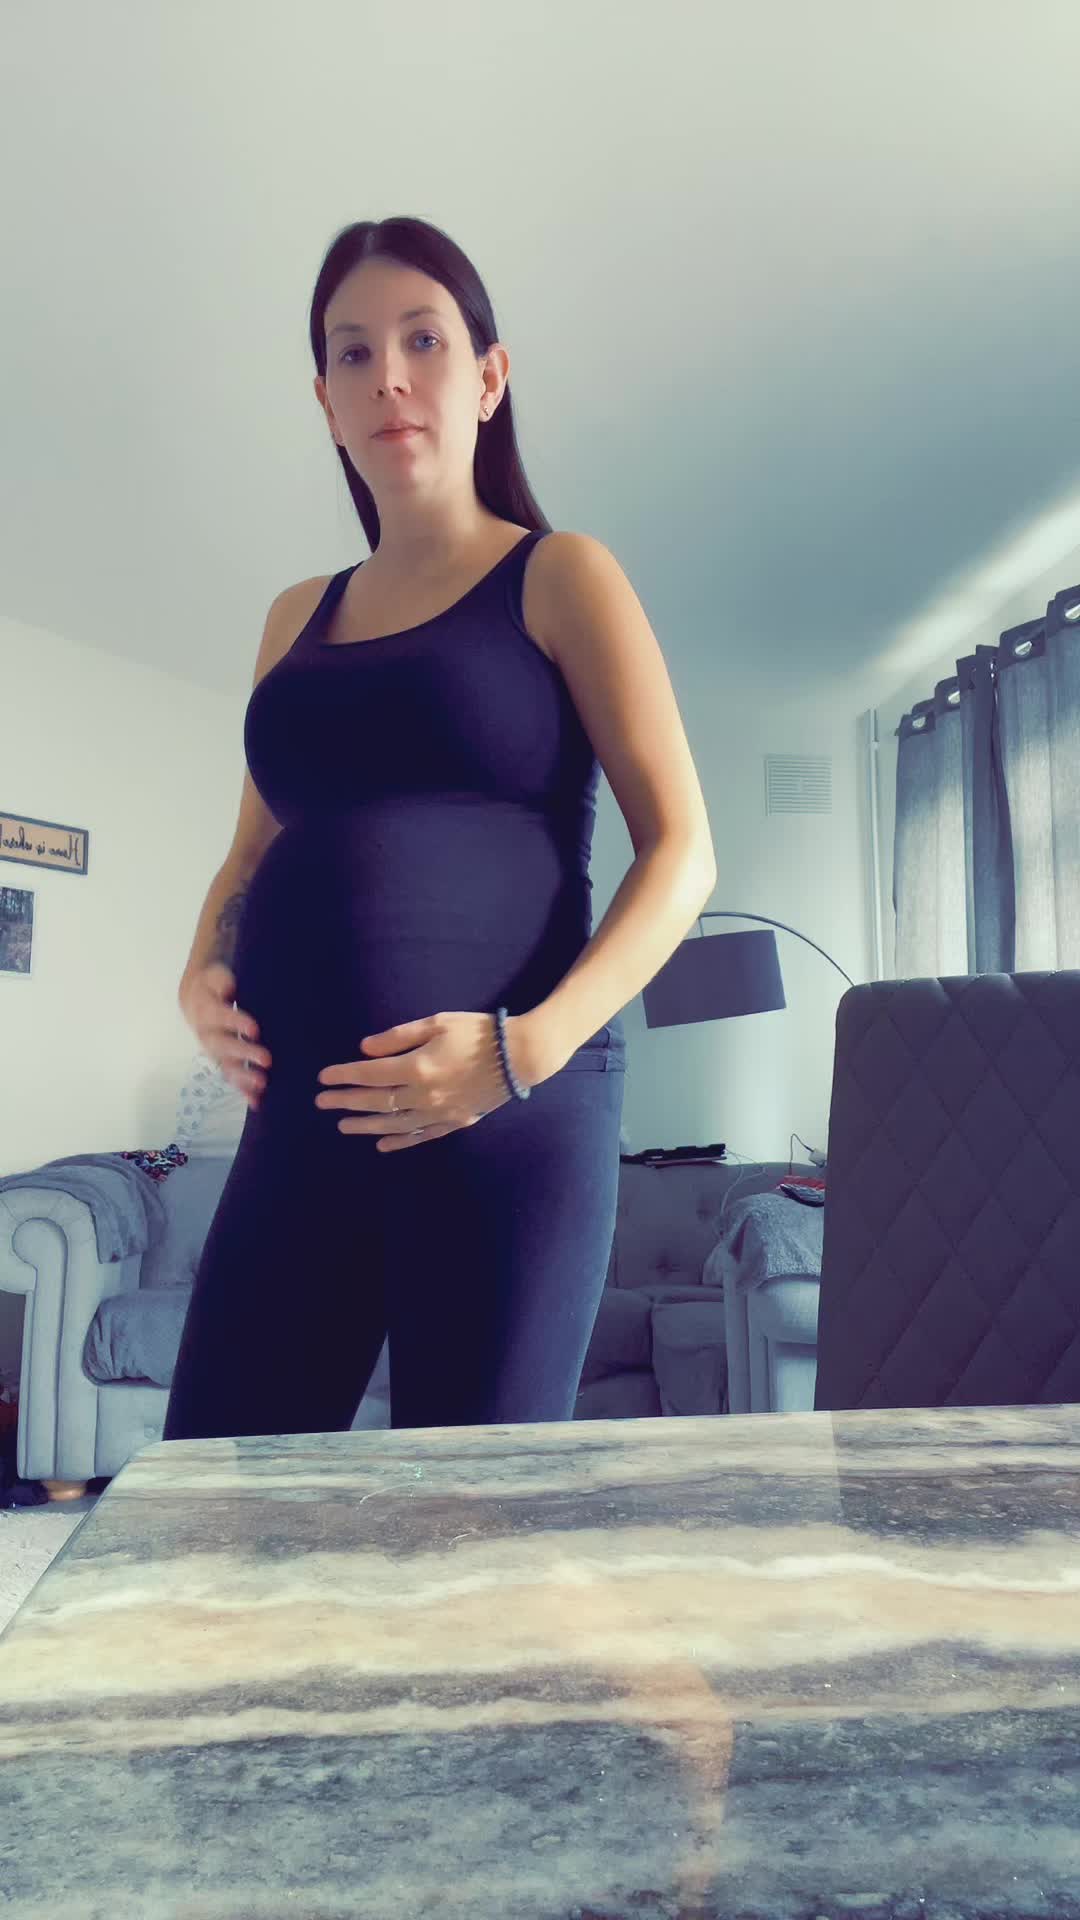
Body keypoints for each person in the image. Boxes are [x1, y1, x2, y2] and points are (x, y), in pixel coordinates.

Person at [163, 215, 716, 1443]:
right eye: (352, 353)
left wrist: (522, 1051)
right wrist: (201, 969)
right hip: (298, 1124)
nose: (389, 377)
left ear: (489, 376)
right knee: (217, 1490)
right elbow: (250, 852)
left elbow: (683, 851)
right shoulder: (294, 617)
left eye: (424, 340)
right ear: (325, 400)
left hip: (507, 1117)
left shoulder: (562, 575)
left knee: (468, 1519)